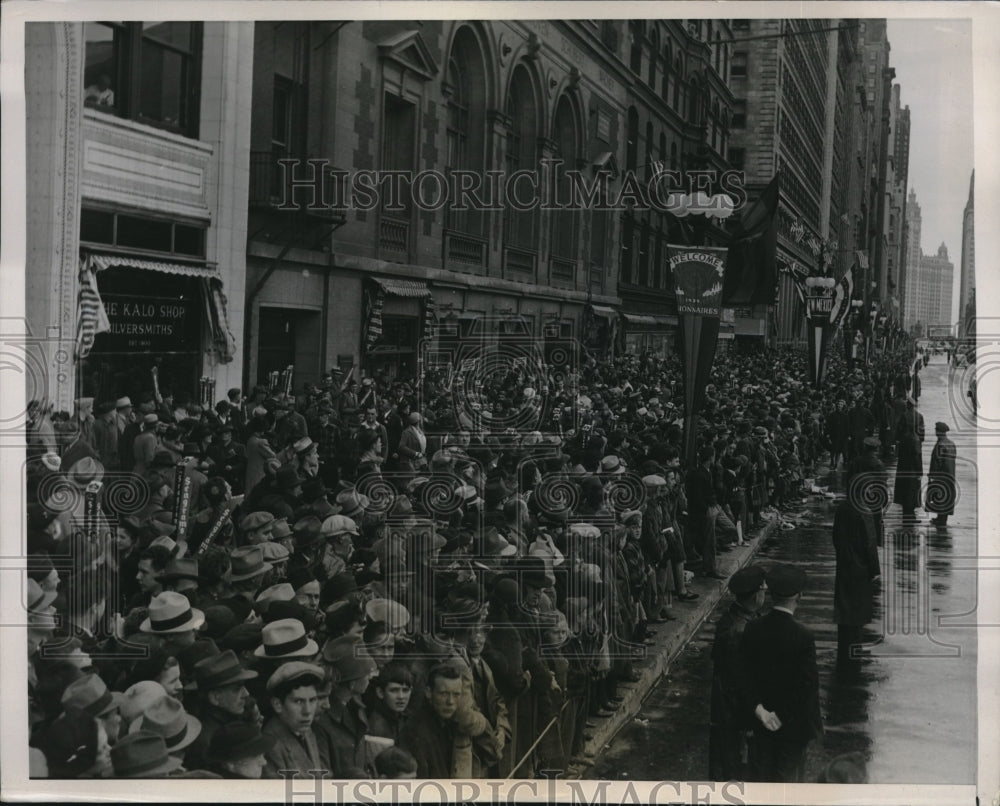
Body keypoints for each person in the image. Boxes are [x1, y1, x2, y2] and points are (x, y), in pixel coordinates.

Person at [741, 564, 822, 783]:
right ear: (799, 596)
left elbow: (743, 677)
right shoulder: (804, 636)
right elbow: (807, 685)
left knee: (761, 780)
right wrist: (781, 716)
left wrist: (761, 712)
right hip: (792, 728)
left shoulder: (753, 628)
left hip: (761, 723)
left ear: (771, 595)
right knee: (788, 785)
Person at [709, 565, 766, 781]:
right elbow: (738, 683)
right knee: (734, 771)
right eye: (763, 589)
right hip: (734, 718)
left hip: (727, 712)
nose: (765, 593)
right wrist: (750, 721)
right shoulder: (739, 631)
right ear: (754, 595)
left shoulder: (733, 618)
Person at [831, 491, 881, 675]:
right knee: (857, 613)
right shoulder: (865, 509)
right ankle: (852, 658)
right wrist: (874, 570)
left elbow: (836, 536)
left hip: (844, 564)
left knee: (844, 610)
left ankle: (843, 652)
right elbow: (870, 543)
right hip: (860, 568)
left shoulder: (843, 507)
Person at [927, 422, 957, 527]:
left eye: (936, 430)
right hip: (950, 474)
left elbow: (937, 461)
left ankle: (941, 519)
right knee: (947, 496)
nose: (935, 432)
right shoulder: (951, 443)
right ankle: (942, 518)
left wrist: (932, 475)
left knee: (939, 496)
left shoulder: (940, 444)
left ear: (939, 432)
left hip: (941, 475)